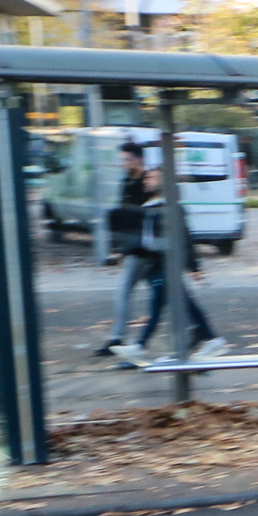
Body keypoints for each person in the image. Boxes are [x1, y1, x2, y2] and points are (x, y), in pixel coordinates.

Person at [110, 192, 228, 365]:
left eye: (151, 177)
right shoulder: (151, 206)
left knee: (166, 305)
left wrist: (193, 266)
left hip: (168, 264)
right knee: (171, 304)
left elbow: (185, 237)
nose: (146, 181)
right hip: (159, 265)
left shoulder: (171, 208)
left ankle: (141, 346)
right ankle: (208, 340)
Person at [94, 144, 155, 357]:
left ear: (138, 159)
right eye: (122, 160)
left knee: (123, 293)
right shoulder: (127, 183)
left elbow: (143, 217)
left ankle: (118, 339)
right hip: (138, 248)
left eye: (127, 159)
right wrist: (120, 249)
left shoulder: (147, 183)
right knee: (166, 294)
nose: (123, 164)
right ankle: (195, 330)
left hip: (143, 249)